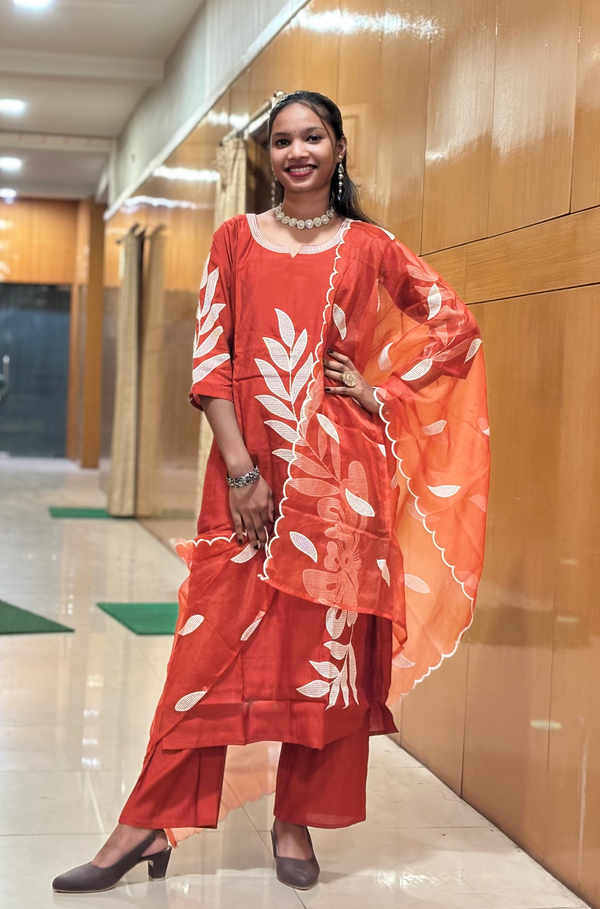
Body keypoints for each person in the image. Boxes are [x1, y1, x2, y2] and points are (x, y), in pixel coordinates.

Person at [52, 90, 489, 894]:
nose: (297, 152)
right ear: (268, 156)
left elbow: (456, 329)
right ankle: (144, 821)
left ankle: (295, 820)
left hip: (339, 487)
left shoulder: (370, 246)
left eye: (312, 137)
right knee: (208, 647)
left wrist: (378, 390)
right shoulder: (233, 240)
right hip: (246, 478)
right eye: (283, 140)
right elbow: (209, 362)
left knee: (318, 655)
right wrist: (243, 470)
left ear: (338, 147)